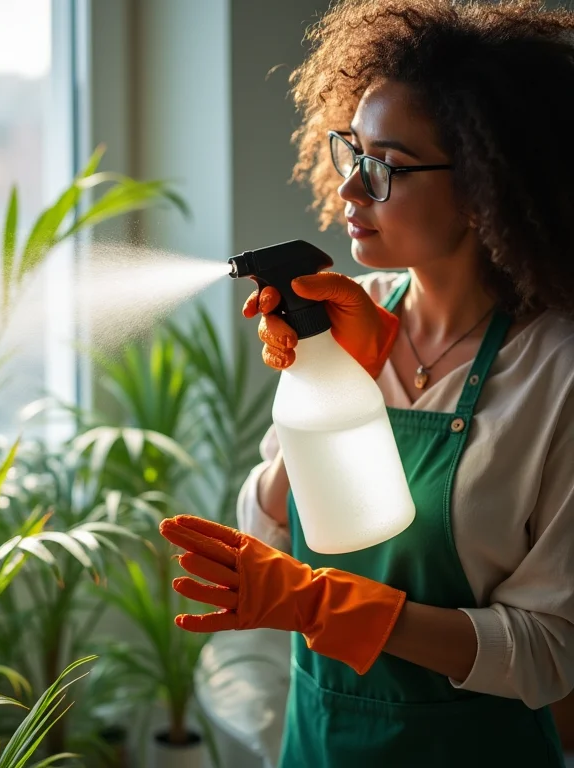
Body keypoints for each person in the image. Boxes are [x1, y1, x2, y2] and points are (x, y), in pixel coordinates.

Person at [158, 1, 574, 765]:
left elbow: (549, 653)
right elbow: (268, 531)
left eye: (385, 165)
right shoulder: (349, 314)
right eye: (351, 151)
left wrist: (323, 604)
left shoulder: (558, 373)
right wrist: (333, 377)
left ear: (488, 184)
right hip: (316, 747)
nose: (350, 189)